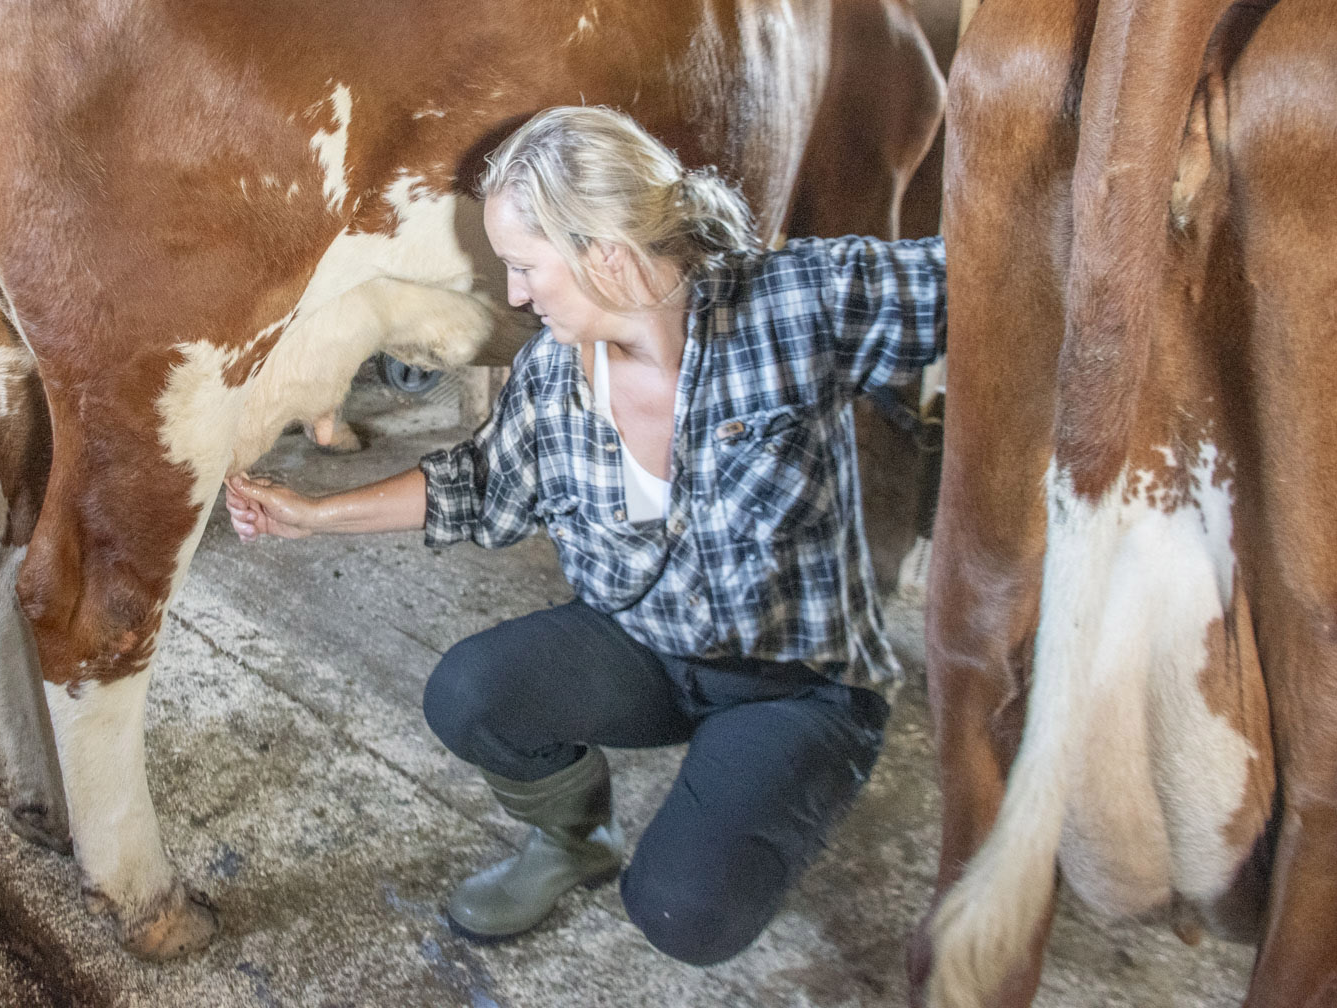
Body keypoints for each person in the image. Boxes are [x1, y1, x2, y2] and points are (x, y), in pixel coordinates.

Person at [224, 105, 944, 966]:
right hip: (644, 649)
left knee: (682, 912)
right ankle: (575, 841)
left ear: (604, 253)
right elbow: (479, 482)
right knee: (471, 693)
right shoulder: (553, 372)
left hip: (795, 683)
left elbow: (992, 283)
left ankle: (780, 777)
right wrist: (313, 513)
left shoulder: (796, 303)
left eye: (524, 266)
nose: (515, 294)